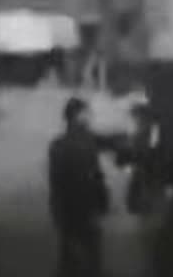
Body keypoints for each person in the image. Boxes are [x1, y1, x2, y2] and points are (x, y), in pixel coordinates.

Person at [49, 97, 110, 277]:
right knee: (90, 257)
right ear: (77, 117)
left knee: (70, 255)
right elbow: (95, 176)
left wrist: (56, 209)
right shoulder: (87, 142)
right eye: (86, 113)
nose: (90, 117)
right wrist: (102, 200)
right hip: (84, 206)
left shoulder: (58, 145)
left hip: (68, 208)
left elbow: (56, 182)